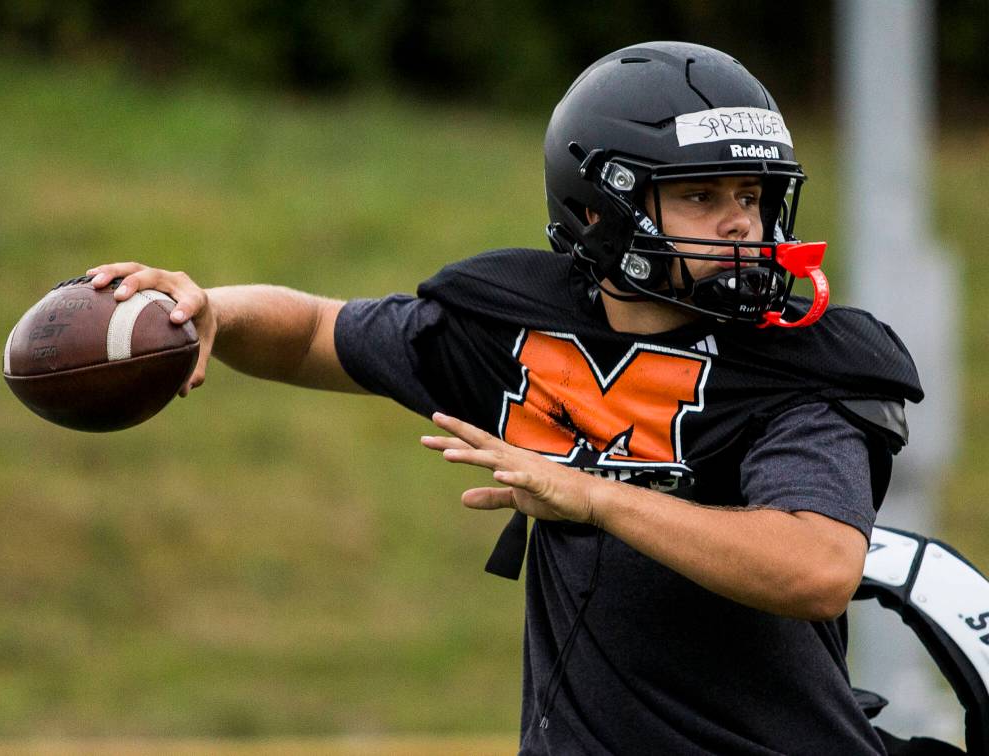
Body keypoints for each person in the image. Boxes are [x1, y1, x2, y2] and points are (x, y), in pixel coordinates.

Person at [88, 42, 928, 754]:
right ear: (605, 208)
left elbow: (817, 566)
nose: (742, 224)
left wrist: (596, 497)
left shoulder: (796, 368)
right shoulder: (524, 327)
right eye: (702, 196)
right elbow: (315, 332)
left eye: (749, 196)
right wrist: (212, 312)